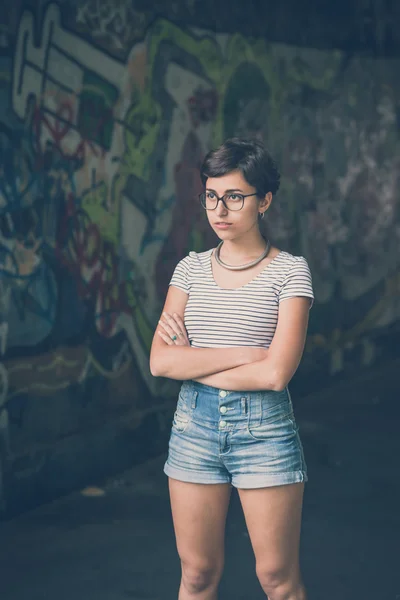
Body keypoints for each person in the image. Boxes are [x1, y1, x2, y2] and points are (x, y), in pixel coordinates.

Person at [150, 137, 314, 600]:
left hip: (264, 431)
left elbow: (275, 376)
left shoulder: (290, 273)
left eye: (235, 197)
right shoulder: (190, 270)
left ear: (264, 201)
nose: (220, 209)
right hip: (192, 428)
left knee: (277, 581)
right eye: (211, 196)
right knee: (197, 576)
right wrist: (247, 352)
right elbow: (161, 362)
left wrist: (193, 361)